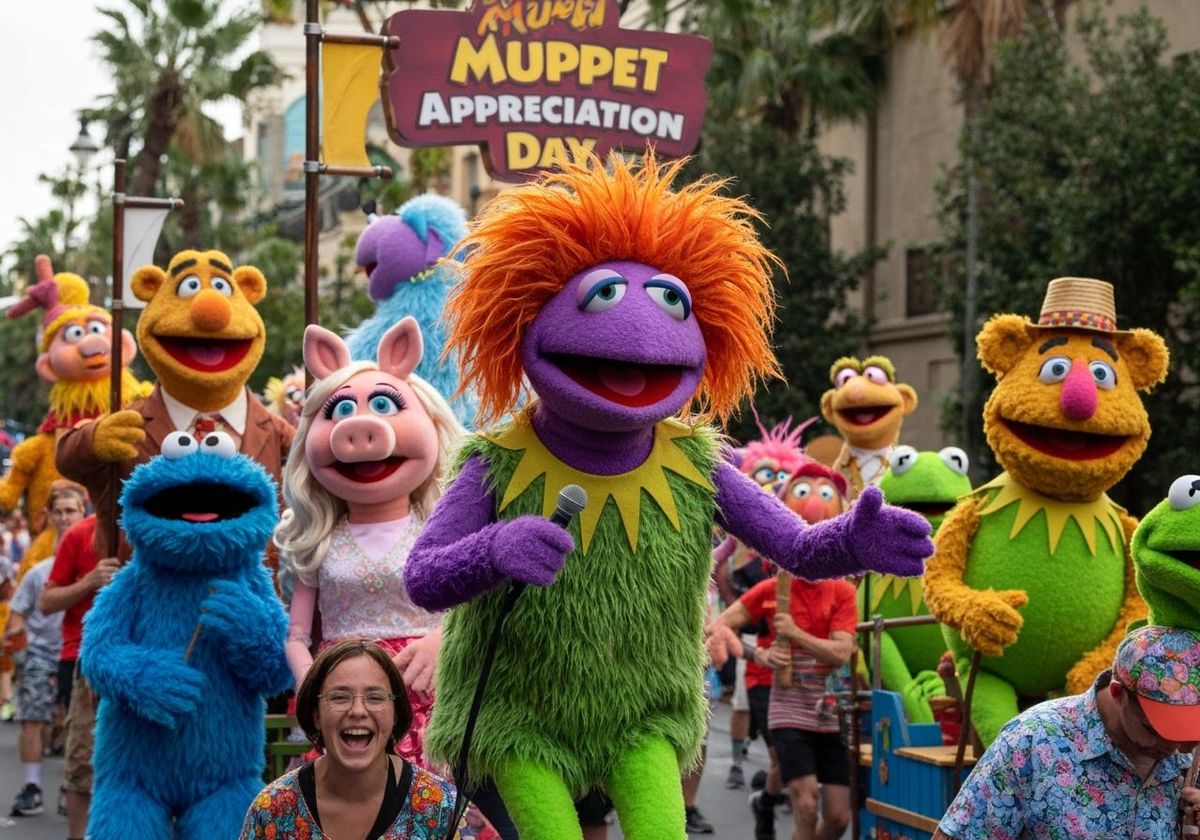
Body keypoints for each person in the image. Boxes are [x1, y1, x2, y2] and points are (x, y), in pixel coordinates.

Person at [934, 624, 1200, 839]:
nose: (1174, 747)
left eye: (1185, 730)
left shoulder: (1189, 756)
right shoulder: (1032, 741)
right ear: (1118, 693)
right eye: (1154, 729)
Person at [240, 638, 463, 839]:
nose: (358, 711)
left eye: (375, 698)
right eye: (340, 697)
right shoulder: (274, 810)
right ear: (316, 715)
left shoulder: (441, 807)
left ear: (395, 714)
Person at [707, 570, 858, 840]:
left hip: (830, 710)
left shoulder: (842, 590)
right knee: (806, 805)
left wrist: (794, 632)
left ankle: (765, 802)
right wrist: (758, 654)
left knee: (838, 818)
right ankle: (765, 800)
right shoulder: (772, 589)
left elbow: (841, 653)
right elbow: (718, 626)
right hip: (786, 705)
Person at [38, 514, 118, 840]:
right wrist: (88, 581)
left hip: (147, 659)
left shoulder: (162, 518)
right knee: (84, 757)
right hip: (84, 658)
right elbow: (46, 602)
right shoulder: (80, 533)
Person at [5, 492, 77, 816]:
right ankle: (33, 787)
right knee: (32, 719)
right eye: (58, 511)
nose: (64, 517)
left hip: (78, 655)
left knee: (76, 725)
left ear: (83, 514)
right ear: (48, 516)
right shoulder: (38, 572)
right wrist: (21, 646)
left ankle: (71, 787)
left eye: (70, 511)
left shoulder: (96, 569)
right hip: (42, 653)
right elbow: (16, 617)